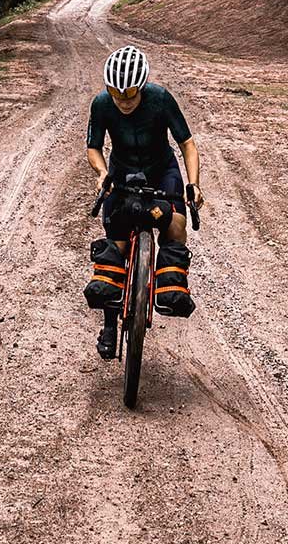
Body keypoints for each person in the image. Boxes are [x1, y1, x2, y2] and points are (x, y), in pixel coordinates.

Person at [83, 43, 201, 359]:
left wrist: (193, 184)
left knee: (176, 223)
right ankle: (109, 325)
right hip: (121, 173)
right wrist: (102, 173)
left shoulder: (160, 99)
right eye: (116, 94)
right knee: (115, 247)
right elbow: (93, 147)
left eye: (130, 95)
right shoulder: (101, 104)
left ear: (143, 86)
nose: (123, 102)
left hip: (162, 170)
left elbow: (187, 144)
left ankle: (171, 289)